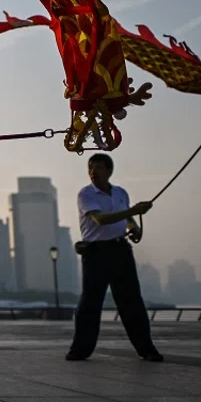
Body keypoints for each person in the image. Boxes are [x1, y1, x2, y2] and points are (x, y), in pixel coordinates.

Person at [66, 153, 163, 362]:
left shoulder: (121, 193)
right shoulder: (86, 194)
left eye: (98, 167)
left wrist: (134, 226)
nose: (93, 172)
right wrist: (134, 211)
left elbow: (126, 217)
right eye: (90, 168)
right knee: (91, 302)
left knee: (132, 301)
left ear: (109, 171)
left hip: (120, 251)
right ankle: (80, 350)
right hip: (96, 253)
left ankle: (146, 349)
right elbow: (100, 219)